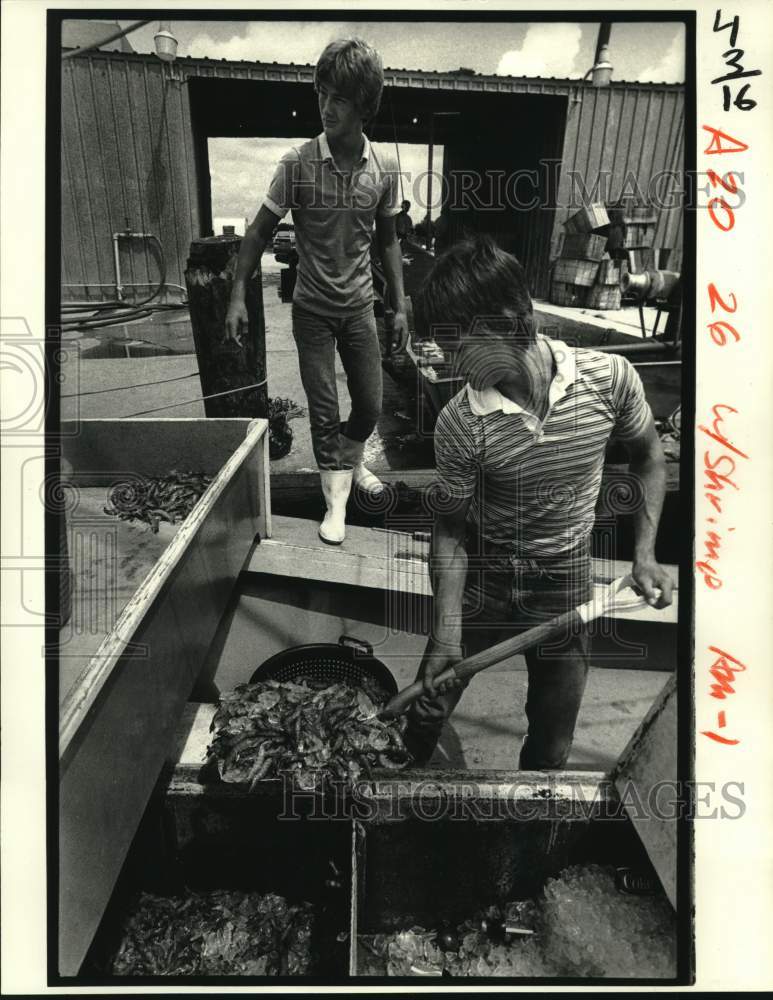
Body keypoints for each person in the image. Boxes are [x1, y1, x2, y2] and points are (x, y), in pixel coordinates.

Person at [404, 236, 674, 769]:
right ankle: (389, 797)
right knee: (426, 706)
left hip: (565, 579)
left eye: (458, 347)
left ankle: (526, 836)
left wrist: (645, 554)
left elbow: (648, 458)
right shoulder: (460, 422)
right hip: (485, 569)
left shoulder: (609, 379)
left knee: (553, 736)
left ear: (506, 320)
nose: (450, 363)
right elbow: (451, 531)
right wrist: (447, 630)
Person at [226, 38, 408, 545]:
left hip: (359, 310)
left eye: (341, 98)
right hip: (311, 311)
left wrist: (399, 307)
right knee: (324, 408)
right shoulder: (297, 164)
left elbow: (390, 240)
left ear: (365, 105)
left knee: (369, 406)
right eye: (322, 93)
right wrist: (238, 296)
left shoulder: (385, 168)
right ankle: (336, 503)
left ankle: (346, 466)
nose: (327, 106)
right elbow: (258, 232)